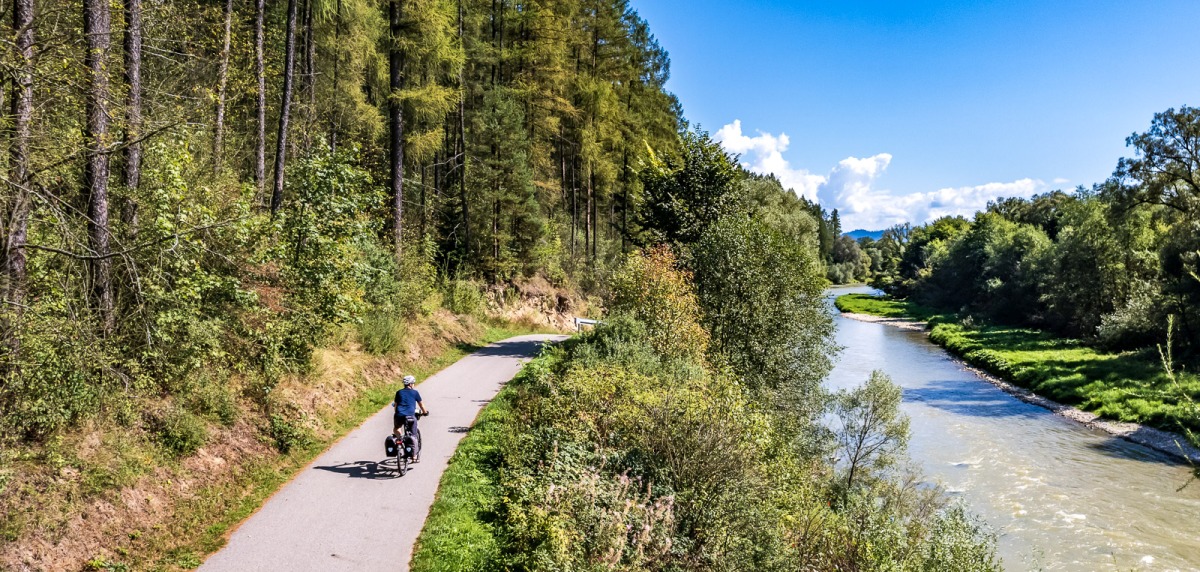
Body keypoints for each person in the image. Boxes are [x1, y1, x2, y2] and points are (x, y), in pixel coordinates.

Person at [391, 375, 428, 460]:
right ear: (411, 384)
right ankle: (414, 455)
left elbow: (395, 406)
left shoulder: (399, 392)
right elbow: (421, 405)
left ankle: (400, 440)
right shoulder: (415, 392)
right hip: (410, 416)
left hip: (399, 415)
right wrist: (425, 412)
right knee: (413, 435)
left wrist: (398, 413)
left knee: (396, 428)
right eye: (413, 383)